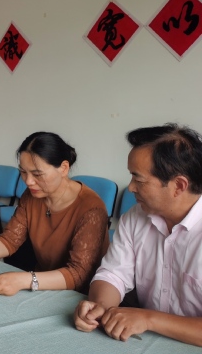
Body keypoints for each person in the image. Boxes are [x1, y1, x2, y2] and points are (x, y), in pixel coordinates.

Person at [0, 132, 109, 296]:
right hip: (39, 284)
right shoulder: (32, 195)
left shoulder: (91, 209)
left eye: (37, 174)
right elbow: (9, 241)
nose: (28, 181)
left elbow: (78, 275)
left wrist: (24, 280)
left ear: (63, 168)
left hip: (78, 296)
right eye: (23, 172)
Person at [74, 124, 202, 346]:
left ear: (179, 185)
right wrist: (100, 306)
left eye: (139, 179)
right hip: (145, 339)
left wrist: (149, 319)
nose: (131, 187)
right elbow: (113, 274)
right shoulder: (135, 217)